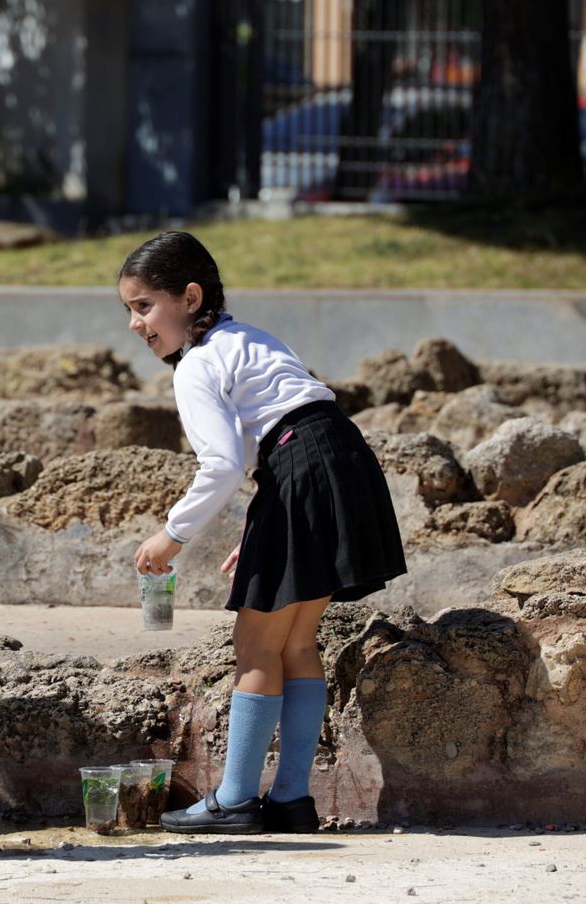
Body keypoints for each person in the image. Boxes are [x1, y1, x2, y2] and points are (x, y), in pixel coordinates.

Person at [116, 231, 407, 835]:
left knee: (254, 645)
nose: (135, 324)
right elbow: (290, 428)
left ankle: (235, 799)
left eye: (144, 306)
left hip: (301, 466)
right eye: (128, 310)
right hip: (343, 458)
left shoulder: (197, 363)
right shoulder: (249, 337)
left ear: (190, 297)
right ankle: (292, 800)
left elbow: (222, 464)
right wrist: (265, 522)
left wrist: (172, 534)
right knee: (297, 641)